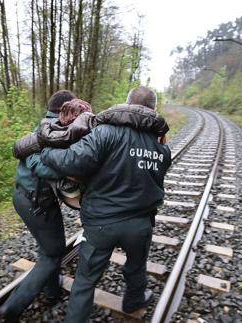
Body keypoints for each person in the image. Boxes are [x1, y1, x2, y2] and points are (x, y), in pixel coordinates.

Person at [40, 86, 172, 323]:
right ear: (153, 109)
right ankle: (133, 300)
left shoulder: (105, 133)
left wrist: (46, 153)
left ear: (127, 103)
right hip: (140, 224)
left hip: (102, 223)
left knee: (85, 281)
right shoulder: (162, 147)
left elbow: (72, 161)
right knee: (136, 266)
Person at [0, 90, 76, 322]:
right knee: (53, 254)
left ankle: (51, 291)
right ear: (65, 110)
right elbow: (43, 166)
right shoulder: (61, 132)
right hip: (37, 203)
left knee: (48, 246)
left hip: (21, 197)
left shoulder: (43, 125)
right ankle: (12, 307)